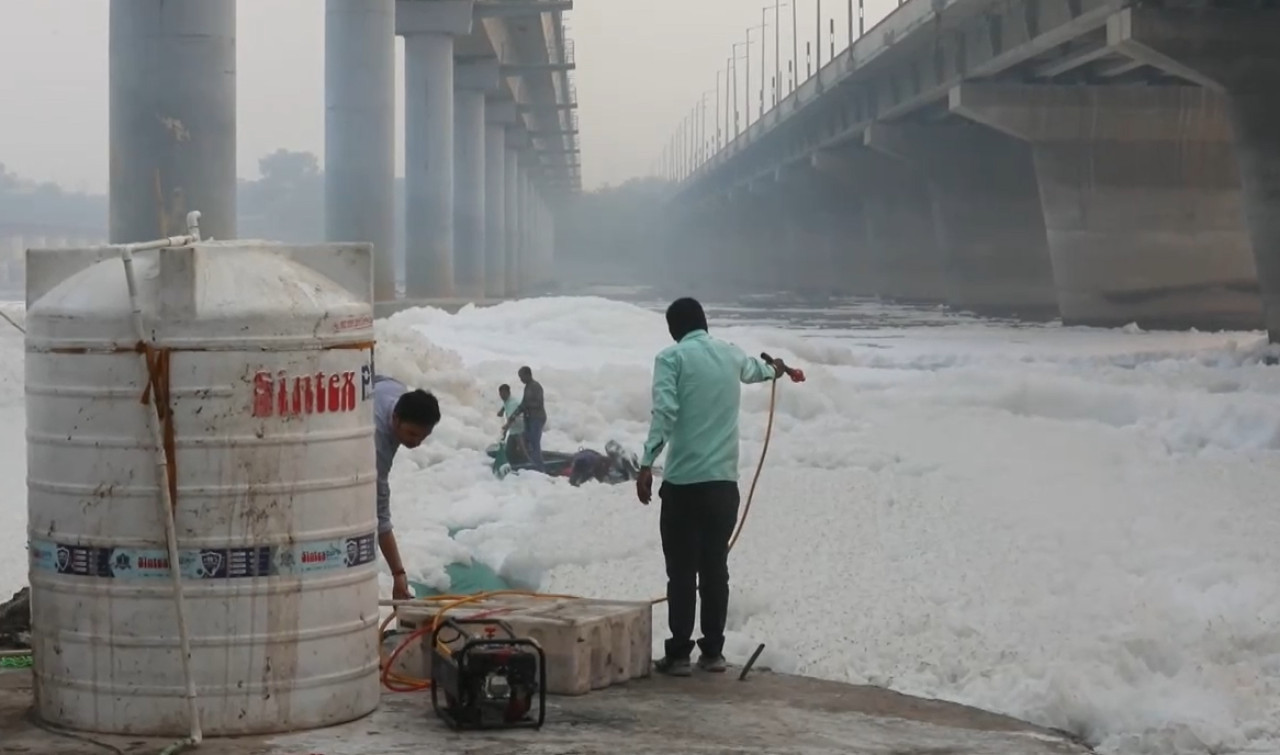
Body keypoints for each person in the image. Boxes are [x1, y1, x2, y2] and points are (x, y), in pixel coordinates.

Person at [635, 297, 786, 677]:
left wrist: (647, 462)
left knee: (682, 572)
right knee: (715, 569)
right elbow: (759, 370)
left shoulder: (671, 359)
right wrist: (776, 369)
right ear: (704, 323)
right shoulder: (731, 354)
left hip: (684, 485)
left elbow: (665, 412)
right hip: (723, 487)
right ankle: (713, 653)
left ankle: (679, 655)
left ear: (675, 329)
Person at [373, 374, 442, 600]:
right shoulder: (377, 448)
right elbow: (381, 518)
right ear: (395, 418)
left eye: (423, 436)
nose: (416, 443)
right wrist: (398, 574)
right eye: (412, 434)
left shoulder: (396, 388)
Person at [504, 366, 546, 472]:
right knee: (526, 441)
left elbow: (538, 403)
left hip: (537, 418)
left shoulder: (536, 387)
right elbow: (523, 404)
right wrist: (513, 416)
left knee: (534, 443)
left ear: (528, 375)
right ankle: (531, 463)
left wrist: (526, 406)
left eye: (521, 377)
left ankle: (539, 468)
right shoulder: (527, 387)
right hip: (529, 419)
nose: (521, 379)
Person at [496, 383, 526, 464]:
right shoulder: (507, 401)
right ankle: (514, 464)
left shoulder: (513, 403)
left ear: (508, 393)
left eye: (503, 394)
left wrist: (506, 428)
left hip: (520, 430)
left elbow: (513, 417)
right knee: (509, 451)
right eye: (500, 394)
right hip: (514, 430)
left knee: (522, 451)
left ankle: (528, 466)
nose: (501, 396)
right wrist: (502, 411)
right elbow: (505, 406)